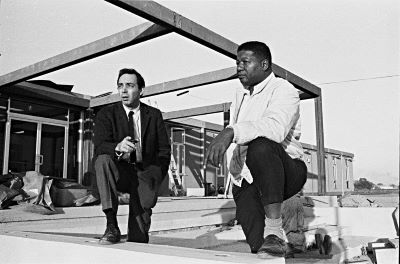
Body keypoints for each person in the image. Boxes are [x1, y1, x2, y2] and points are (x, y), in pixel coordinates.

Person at [205, 41, 307, 258]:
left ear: (264, 64)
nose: (239, 67)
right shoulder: (240, 96)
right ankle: (278, 244)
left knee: (261, 146)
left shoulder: (284, 90)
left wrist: (230, 131)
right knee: (260, 249)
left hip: (287, 171)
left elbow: (275, 128)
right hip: (246, 180)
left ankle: (274, 230)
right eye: (237, 62)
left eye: (245, 62)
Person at [93, 68, 171, 244]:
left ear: (141, 90)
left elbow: (164, 150)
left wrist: (157, 174)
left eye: (129, 85)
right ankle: (111, 224)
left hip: (145, 172)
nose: (123, 90)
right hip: (119, 170)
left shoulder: (154, 115)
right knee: (103, 160)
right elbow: (100, 146)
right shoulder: (106, 114)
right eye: (120, 86)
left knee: (139, 235)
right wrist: (117, 147)